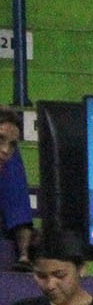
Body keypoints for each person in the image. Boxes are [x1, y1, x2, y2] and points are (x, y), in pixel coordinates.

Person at [0, 108, 36, 269]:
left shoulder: (10, 164)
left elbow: (18, 204)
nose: (5, 150)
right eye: (0, 139)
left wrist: (24, 256)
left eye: (12, 145)